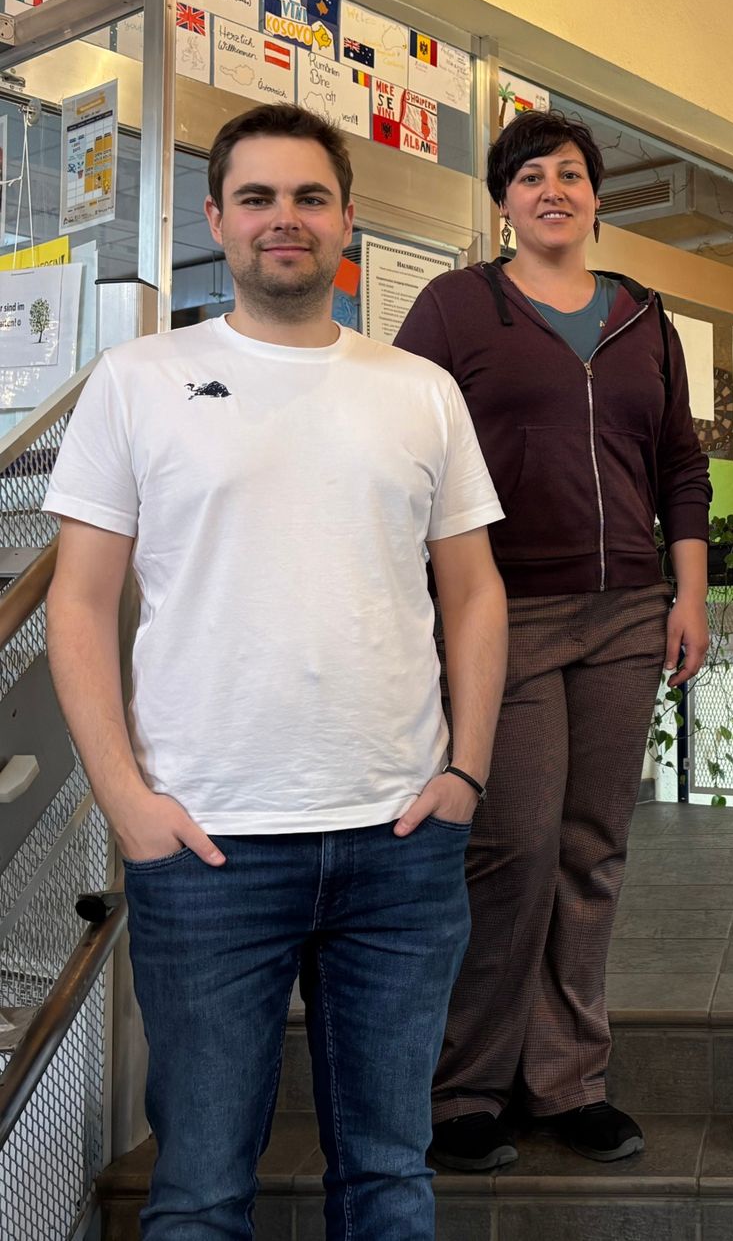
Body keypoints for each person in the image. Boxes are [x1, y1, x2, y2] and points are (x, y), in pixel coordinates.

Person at [43, 103, 507, 1240]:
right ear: (216, 219)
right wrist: (124, 800)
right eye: (256, 198)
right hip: (207, 844)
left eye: (309, 198)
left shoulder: (419, 389)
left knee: (390, 1180)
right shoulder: (138, 379)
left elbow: (475, 592)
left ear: (347, 221)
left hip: (399, 841)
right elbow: (79, 601)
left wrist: (468, 775)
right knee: (200, 1192)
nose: (283, 219)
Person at [395, 109, 710, 1170]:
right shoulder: (456, 308)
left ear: (595, 197)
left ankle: (571, 1079)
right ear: (503, 203)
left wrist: (687, 594)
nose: (552, 191)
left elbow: (680, 466)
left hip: (625, 612)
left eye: (570, 174)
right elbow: (400, 446)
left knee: (592, 849)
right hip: (505, 612)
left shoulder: (642, 316)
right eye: (530, 177)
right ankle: (465, 1089)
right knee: (514, 848)